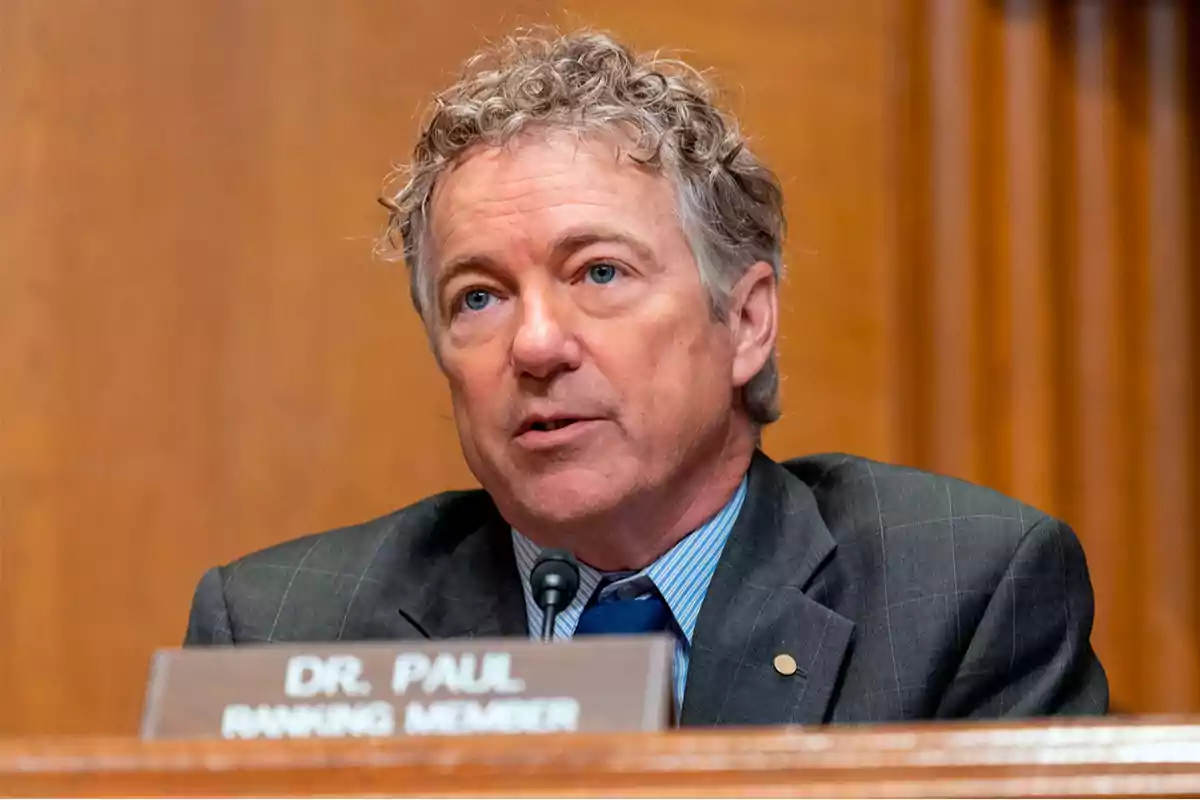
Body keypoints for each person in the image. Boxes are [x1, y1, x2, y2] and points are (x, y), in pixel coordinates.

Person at [185, 29, 1108, 724]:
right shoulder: (284, 633)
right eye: (478, 298)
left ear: (746, 322)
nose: (536, 346)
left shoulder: (959, 596)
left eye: (600, 274)